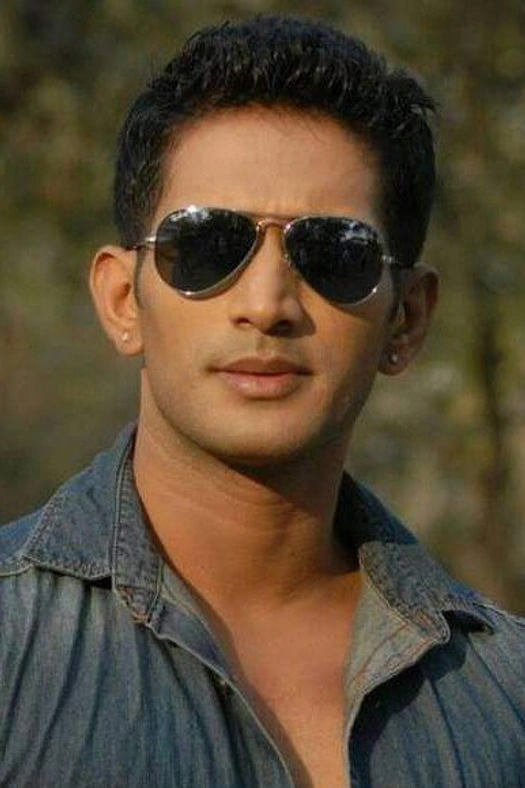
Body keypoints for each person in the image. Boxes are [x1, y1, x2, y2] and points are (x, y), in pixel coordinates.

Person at [1, 15, 524, 788]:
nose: (266, 303)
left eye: (334, 254)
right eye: (206, 245)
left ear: (406, 319)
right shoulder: (14, 647)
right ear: (121, 299)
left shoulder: (504, 697)